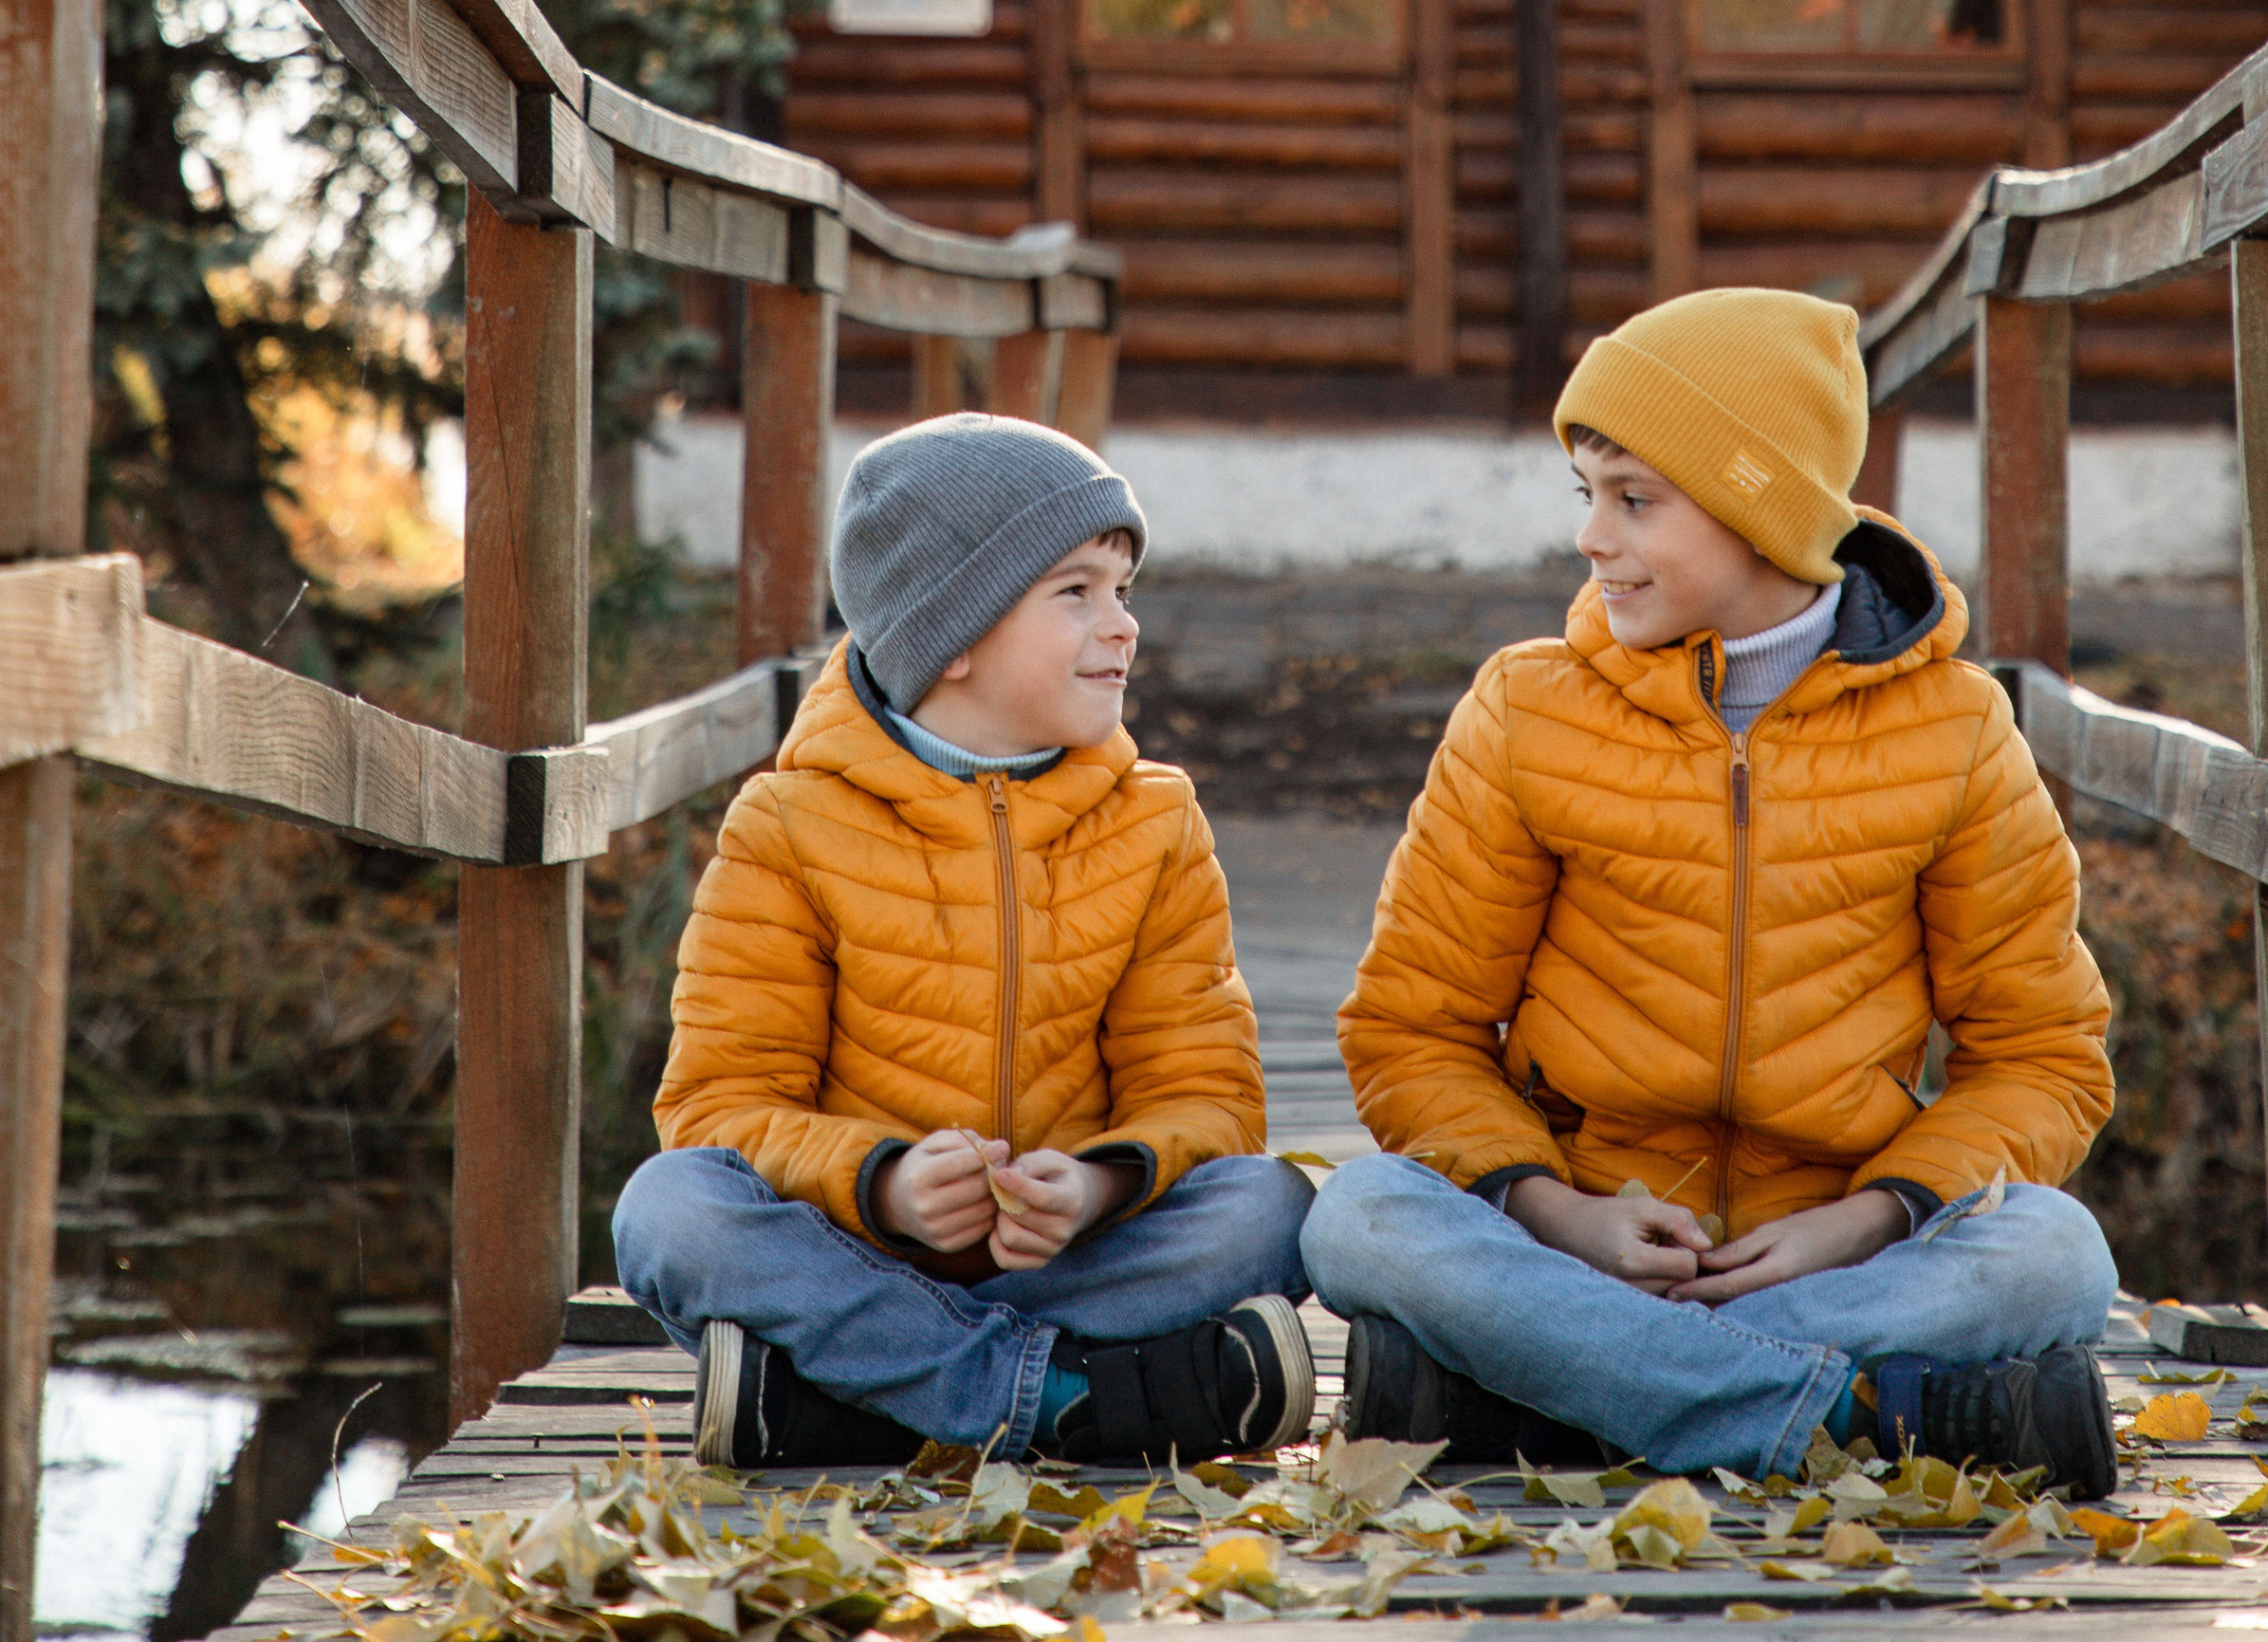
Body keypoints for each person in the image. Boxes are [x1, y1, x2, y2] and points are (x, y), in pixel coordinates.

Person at [1302, 288, 2123, 1494]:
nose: (1593, 536)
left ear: (1761, 515)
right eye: (1586, 493)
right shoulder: (1528, 709)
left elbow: (2043, 1054)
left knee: (2056, 1253)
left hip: (1839, 1252)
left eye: (1636, 499)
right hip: (1580, 1241)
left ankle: (1570, 1393)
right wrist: (1557, 1215)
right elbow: (1409, 1030)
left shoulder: (1953, 729)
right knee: (1355, 1215)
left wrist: (1869, 1219)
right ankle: (1847, 1405)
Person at [615, 413, 1314, 1468]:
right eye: (1075, 593)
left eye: (1122, 591)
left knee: (1273, 1206)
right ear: (955, 636)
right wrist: (884, 1183)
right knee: (668, 1212)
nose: (1122, 625)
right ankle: (1065, 1396)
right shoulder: (788, 827)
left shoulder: (1154, 823)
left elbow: (1210, 1097)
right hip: (852, 1253)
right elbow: (716, 1106)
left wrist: (1095, 1187)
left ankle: (850, 1399)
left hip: (1065, 1258)